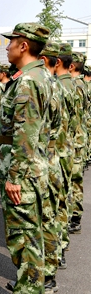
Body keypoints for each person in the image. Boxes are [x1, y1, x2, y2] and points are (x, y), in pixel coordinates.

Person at [0, 22, 51, 294]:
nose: (7, 47)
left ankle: (29, 289)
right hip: (34, 166)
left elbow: (25, 133)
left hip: (23, 173)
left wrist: (14, 177)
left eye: (11, 42)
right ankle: (29, 284)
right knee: (30, 233)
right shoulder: (40, 77)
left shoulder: (28, 82)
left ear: (24, 46)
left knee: (24, 236)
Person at [38, 41, 64, 290]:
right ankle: (49, 273)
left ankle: (43, 278)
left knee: (42, 218)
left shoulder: (37, 82)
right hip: (52, 156)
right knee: (49, 216)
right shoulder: (56, 85)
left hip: (40, 159)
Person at [55, 42, 76, 269]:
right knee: (64, 199)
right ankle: (61, 245)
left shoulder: (58, 87)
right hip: (69, 147)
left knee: (56, 204)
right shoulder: (76, 85)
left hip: (57, 150)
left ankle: (57, 250)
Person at [69, 51, 88, 234]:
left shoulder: (74, 86)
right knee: (76, 179)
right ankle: (75, 216)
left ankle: (73, 217)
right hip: (80, 138)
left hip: (73, 139)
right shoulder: (83, 85)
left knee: (71, 180)